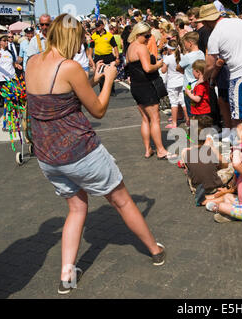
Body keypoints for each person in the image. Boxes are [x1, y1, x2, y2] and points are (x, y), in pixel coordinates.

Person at [25, 14, 165, 295]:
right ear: (72, 37)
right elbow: (99, 109)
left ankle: (67, 276)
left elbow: (59, 93)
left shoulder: (32, 62)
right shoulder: (70, 66)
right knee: (122, 200)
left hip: (48, 155)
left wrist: (92, 77)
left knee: (76, 208)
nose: (81, 44)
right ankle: (154, 249)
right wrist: (109, 79)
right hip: (79, 151)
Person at [201, 3, 242, 126]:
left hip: (239, 76)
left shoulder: (215, 35)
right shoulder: (241, 23)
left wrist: (202, 78)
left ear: (206, 21)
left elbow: (210, 65)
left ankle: (241, 143)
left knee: (238, 117)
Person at [126, 22, 174, 160]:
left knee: (145, 119)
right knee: (155, 119)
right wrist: (158, 64)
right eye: (147, 35)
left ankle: (148, 149)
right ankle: (160, 150)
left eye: (150, 35)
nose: (149, 38)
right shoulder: (141, 48)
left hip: (136, 86)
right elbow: (147, 68)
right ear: (138, 34)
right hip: (146, 86)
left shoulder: (130, 47)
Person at [205, 142, 242, 224]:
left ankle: (218, 209)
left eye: (239, 156)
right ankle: (233, 215)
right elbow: (235, 168)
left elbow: (236, 164)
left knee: (221, 206)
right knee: (227, 197)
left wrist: (236, 150)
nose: (234, 157)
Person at [177, 32, 205, 121]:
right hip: (200, 85)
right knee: (200, 112)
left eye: (185, 43)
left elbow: (178, 68)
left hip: (189, 87)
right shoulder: (201, 53)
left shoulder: (187, 57)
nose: (184, 46)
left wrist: (185, 72)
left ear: (190, 43)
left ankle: (193, 133)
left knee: (192, 113)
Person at [161, 39, 189, 129]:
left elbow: (163, 71)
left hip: (172, 83)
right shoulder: (182, 56)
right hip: (182, 81)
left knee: (174, 103)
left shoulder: (167, 58)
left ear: (169, 48)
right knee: (183, 101)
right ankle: (188, 120)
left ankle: (174, 122)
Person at [91, 20, 119, 96]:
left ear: (102, 26)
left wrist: (117, 57)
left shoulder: (109, 35)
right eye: (96, 26)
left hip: (109, 57)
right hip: (98, 57)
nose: (96, 28)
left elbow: (115, 46)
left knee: (110, 74)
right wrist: (90, 58)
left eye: (98, 26)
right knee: (100, 75)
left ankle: (112, 90)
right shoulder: (93, 36)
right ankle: (102, 90)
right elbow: (91, 47)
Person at [0, 34, 22, 107]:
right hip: (1, 79)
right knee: (2, 103)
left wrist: (17, 65)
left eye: (7, 41)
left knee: (13, 99)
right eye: (4, 41)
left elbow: (13, 63)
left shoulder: (10, 52)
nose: (6, 42)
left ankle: (12, 115)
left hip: (11, 78)